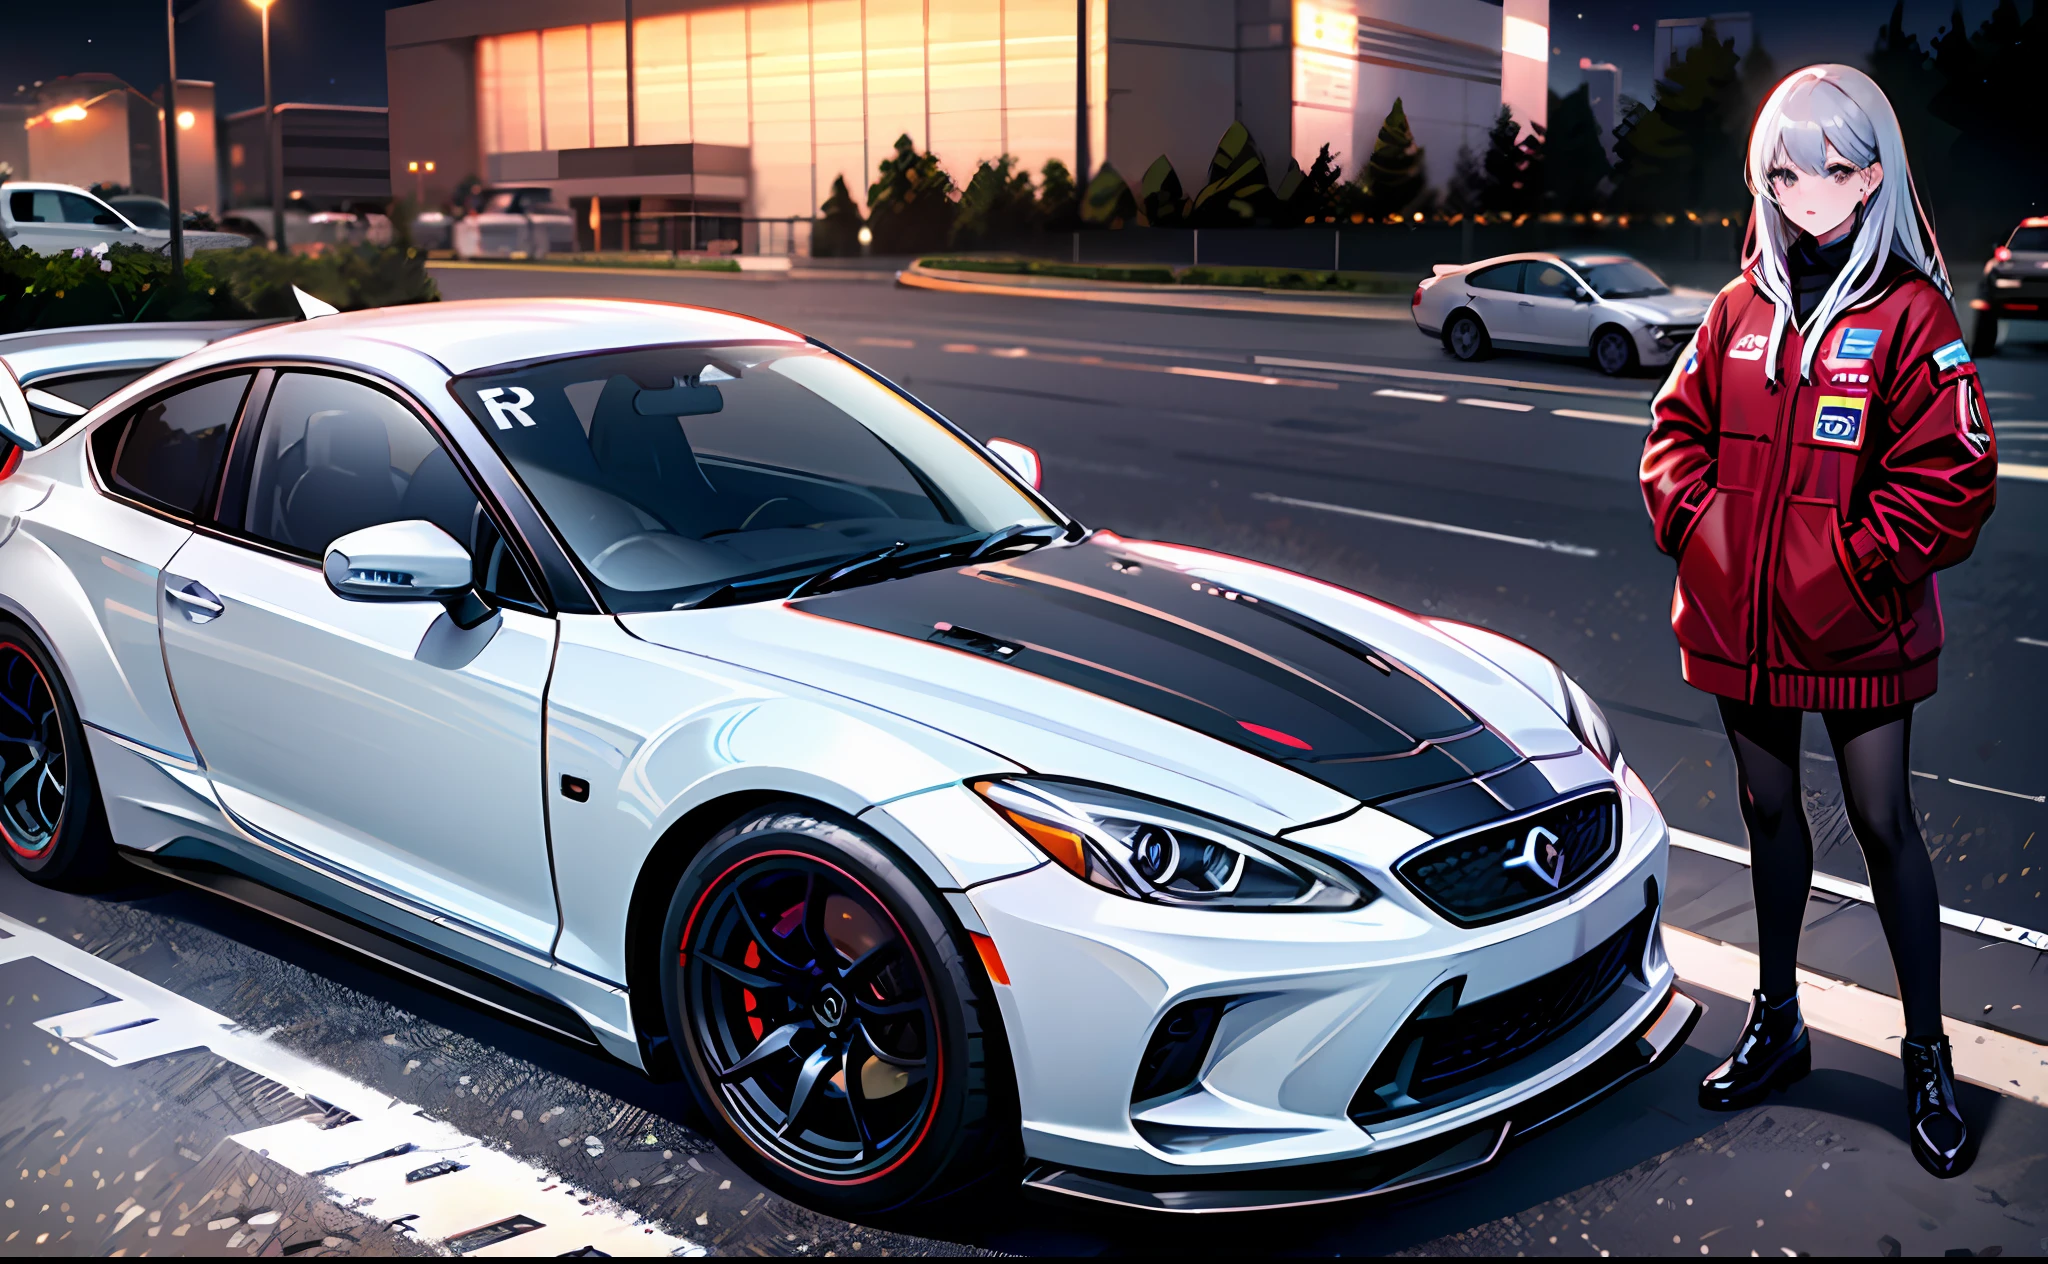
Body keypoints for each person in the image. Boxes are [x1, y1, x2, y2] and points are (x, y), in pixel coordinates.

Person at [1639, 64, 1997, 1179]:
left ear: (1871, 175)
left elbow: (1954, 474)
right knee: (1762, 810)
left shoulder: (1909, 312)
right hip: (1739, 624)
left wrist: (1840, 567)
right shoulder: (1740, 308)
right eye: (1783, 168)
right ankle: (1777, 1017)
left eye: (1828, 167)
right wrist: (1711, 534)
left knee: (1883, 823)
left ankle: (1926, 1056)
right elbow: (1670, 441)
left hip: (1855, 631)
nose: (1801, 188)